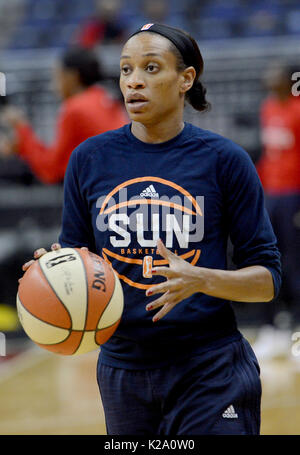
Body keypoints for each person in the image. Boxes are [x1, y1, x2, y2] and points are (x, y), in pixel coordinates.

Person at [22, 24, 281, 435]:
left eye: (151, 67)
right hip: (122, 370)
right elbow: (77, 258)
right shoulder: (88, 159)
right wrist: (52, 271)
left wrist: (202, 279)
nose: (134, 81)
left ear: (186, 79)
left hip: (209, 367)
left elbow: (267, 281)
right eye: (125, 70)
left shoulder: (225, 161)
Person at [0, 47, 128, 184]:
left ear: (72, 76)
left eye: (57, 76)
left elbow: (51, 170)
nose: (53, 85)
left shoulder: (75, 108)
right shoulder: (105, 97)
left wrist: (21, 129)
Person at [253, 63, 300, 360]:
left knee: (295, 263)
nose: (268, 77)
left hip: (294, 195)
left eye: (275, 74)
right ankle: (271, 329)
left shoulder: (297, 110)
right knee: (267, 259)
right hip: (271, 195)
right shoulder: (268, 107)